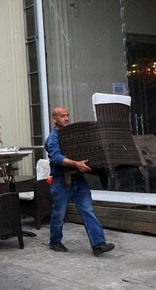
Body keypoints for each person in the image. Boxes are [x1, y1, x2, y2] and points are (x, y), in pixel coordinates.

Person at [45, 107, 115, 255]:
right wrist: (75, 164)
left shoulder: (71, 135)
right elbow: (56, 157)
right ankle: (55, 241)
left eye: (67, 115)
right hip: (61, 182)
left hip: (78, 179)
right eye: (62, 116)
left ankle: (98, 244)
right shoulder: (53, 138)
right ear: (54, 119)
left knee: (88, 210)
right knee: (59, 214)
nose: (66, 118)